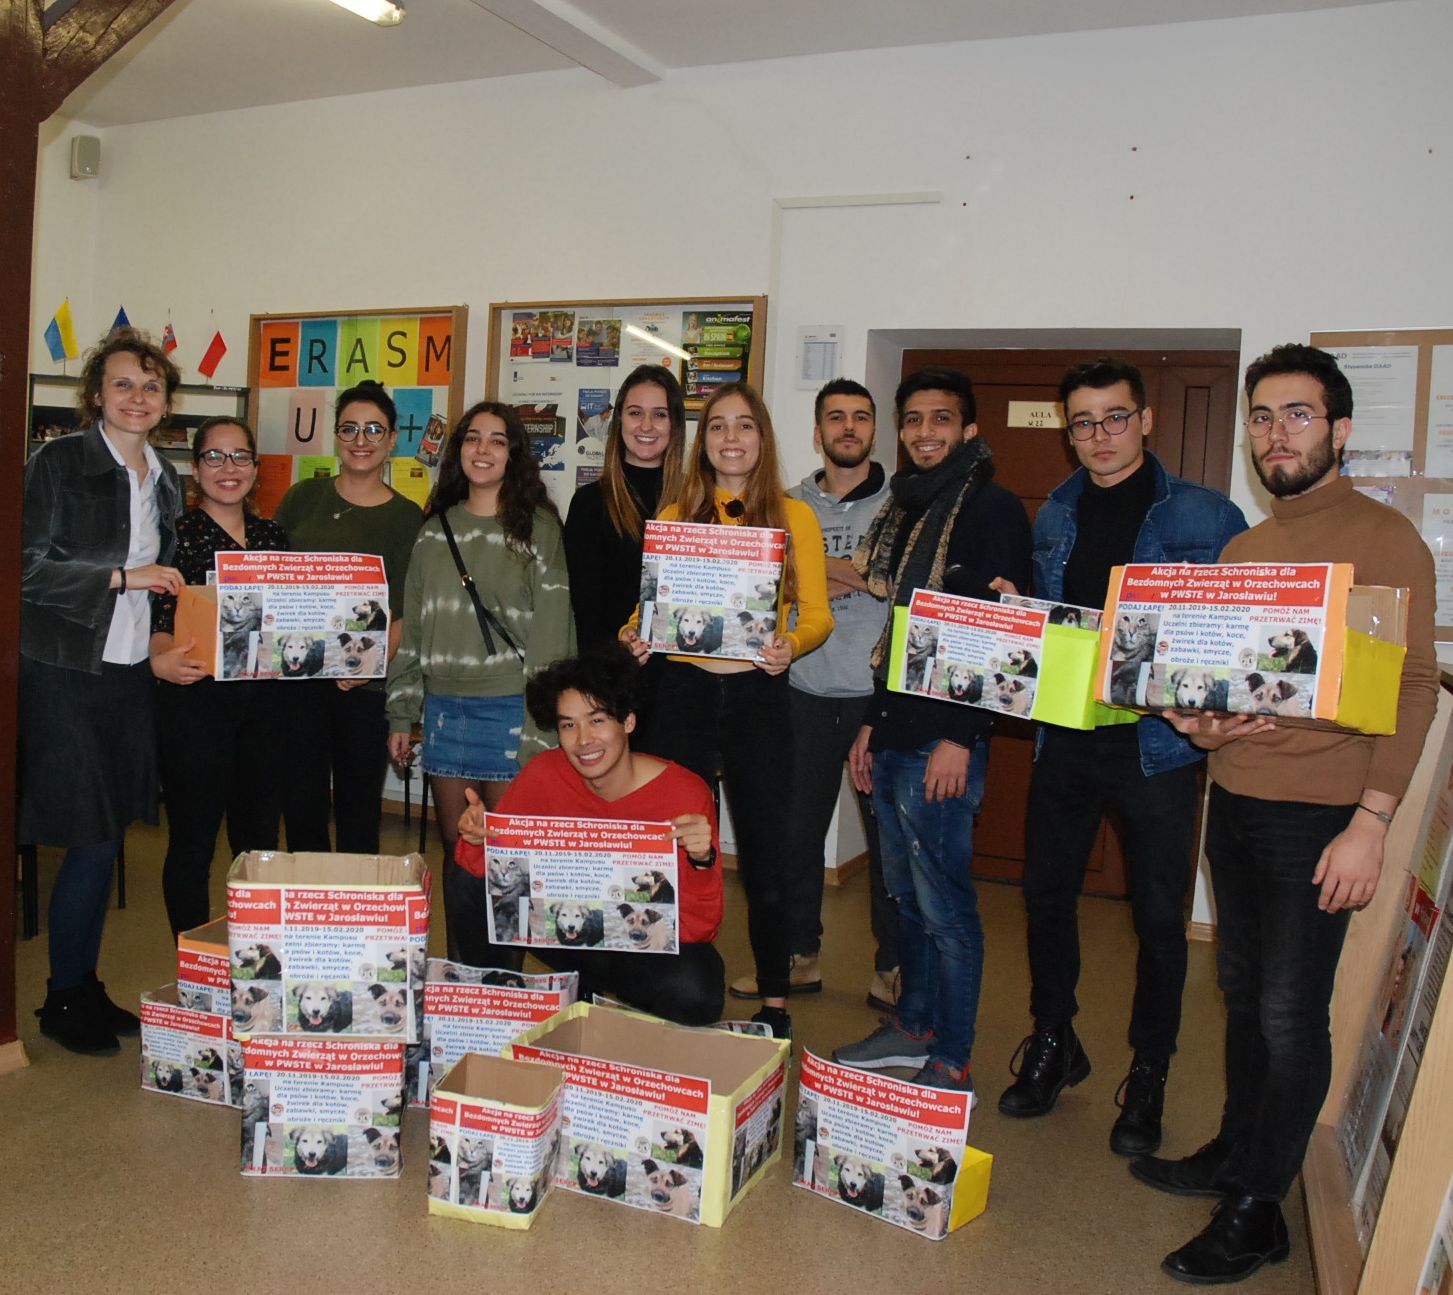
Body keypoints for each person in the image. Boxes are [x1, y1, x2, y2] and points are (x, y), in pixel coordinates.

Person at [1130, 344, 1438, 1284]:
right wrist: (1199, 724)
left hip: (1321, 816)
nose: (1275, 434)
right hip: (1235, 802)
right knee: (1239, 989)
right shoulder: (1245, 550)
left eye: (1296, 415)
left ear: (1339, 429)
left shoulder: (1386, 539)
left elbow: (1411, 689)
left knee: (1289, 1012)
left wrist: (1371, 822)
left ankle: (1258, 1209)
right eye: (1261, 417)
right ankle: (1237, 1151)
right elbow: (1221, 689)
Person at [995, 358, 1247, 1154]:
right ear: (1067, 432)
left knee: (1158, 920)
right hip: (1066, 738)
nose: (1098, 434)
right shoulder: (1055, 512)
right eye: (1082, 422)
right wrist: (1017, 616)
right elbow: (1056, 623)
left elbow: (1236, 628)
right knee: (1044, 896)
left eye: (1113, 417)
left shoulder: (1206, 514)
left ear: (1144, 420)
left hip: (1157, 747)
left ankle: (1148, 1073)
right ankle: (1054, 1040)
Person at [835, 366, 1032, 1092]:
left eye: (941, 419)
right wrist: (870, 725)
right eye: (913, 419)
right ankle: (911, 1025)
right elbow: (901, 627)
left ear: (969, 429)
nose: (925, 433)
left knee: (946, 907)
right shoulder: (909, 508)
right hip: (895, 728)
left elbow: (1001, 636)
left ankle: (951, 1054)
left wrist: (962, 735)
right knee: (906, 900)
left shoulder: (991, 508)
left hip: (942, 740)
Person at [621, 381, 833, 1039]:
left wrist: (791, 644)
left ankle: (774, 1002)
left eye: (744, 425)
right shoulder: (677, 511)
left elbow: (818, 614)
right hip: (681, 695)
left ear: (762, 438)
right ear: (703, 441)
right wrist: (633, 633)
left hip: (756, 699)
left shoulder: (793, 517)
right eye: (718, 426)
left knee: (765, 857)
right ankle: (671, 982)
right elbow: (649, 606)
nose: (731, 438)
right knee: (671, 847)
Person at [21, 328, 184, 1054]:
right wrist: (122, 577)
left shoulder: (165, 477)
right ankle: (62, 997)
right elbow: (23, 567)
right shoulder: (57, 462)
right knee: (90, 836)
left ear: (166, 402)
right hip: (64, 668)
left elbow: (170, 580)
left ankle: (84, 985)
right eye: (123, 384)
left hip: (128, 673)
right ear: (95, 395)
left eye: (151, 387)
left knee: (111, 832)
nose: (137, 397)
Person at [386, 400, 573, 966]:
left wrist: (543, 726)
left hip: (512, 710)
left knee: (508, 859)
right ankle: (461, 983)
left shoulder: (538, 529)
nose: (483, 449)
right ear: (458, 451)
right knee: (460, 856)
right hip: (445, 713)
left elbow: (554, 633)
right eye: (472, 438)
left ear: (514, 454)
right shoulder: (432, 532)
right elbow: (414, 628)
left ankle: (503, 987)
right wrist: (402, 711)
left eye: (497, 440)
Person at [727, 377, 893, 1008]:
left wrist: (813, 569)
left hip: (877, 694)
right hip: (800, 687)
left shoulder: (902, 506)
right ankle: (798, 957)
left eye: (860, 416)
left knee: (888, 844)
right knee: (794, 835)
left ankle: (893, 966)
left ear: (873, 429)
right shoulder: (785, 503)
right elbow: (767, 582)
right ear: (818, 432)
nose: (848, 427)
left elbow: (894, 584)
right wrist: (857, 576)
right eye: (836, 417)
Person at [454, 646, 725, 1024]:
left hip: (640, 948)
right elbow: (483, 879)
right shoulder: (544, 774)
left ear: (628, 721)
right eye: (568, 725)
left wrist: (702, 861)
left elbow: (702, 926)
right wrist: (478, 839)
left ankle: (627, 1018)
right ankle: (497, 1005)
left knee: (697, 988)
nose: (583, 740)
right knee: (467, 880)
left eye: (597, 720)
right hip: (567, 934)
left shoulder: (684, 793)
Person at [150, 417, 290, 938]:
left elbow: (294, 623)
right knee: (193, 843)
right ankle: (194, 965)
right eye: (214, 456)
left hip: (265, 712)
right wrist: (159, 658)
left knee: (258, 846)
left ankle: (253, 956)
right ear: (195, 467)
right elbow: (155, 621)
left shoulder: (273, 536)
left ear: (255, 466)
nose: (228, 468)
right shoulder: (174, 537)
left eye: (240, 456)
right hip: (195, 707)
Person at [274, 379, 422, 854]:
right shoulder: (302, 498)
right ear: (336, 436)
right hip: (297, 683)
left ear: (392, 439)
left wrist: (368, 666)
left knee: (359, 815)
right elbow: (272, 583)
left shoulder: (407, 517)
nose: (361, 440)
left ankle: (354, 905)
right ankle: (306, 901)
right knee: (302, 809)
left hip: (363, 688)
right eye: (350, 428)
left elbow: (406, 612)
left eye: (374, 429)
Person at [563, 364, 686, 651]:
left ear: (675, 424)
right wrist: (618, 652)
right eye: (635, 413)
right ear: (619, 421)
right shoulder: (589, 503)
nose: (646, 426)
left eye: (660, 414)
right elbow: (583, 612)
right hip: (611, 668)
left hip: (683, 671)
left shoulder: (697, 501)